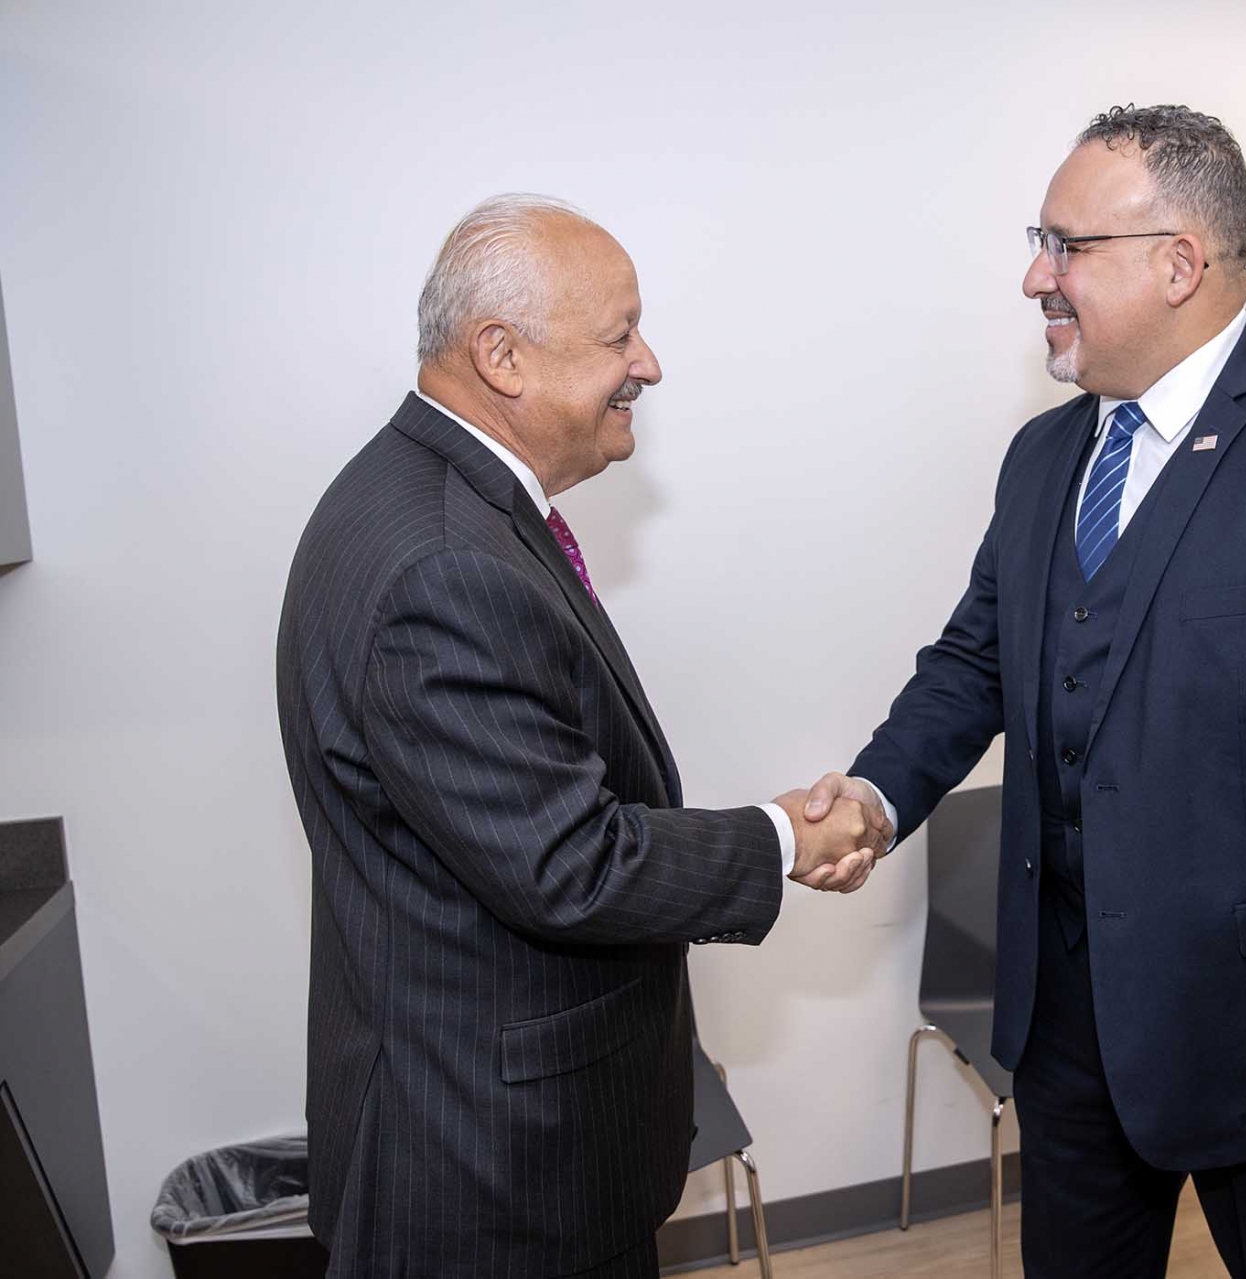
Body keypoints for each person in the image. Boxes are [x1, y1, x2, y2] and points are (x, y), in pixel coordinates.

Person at [803, 106, 1246, 1278]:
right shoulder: (1044, 458)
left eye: (1064, 245)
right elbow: (976, 660)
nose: (1035, 275)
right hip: (1066, 1026)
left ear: (1179, 263)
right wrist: (878, 797)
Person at [276, 194, 886, 1278]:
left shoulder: (427, 499)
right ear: (502, 355)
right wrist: (783, 838)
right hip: (495, 1173)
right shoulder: (444, 564)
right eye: (619, 334)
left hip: (477, 1123)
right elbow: (568, 863)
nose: (647, 363)